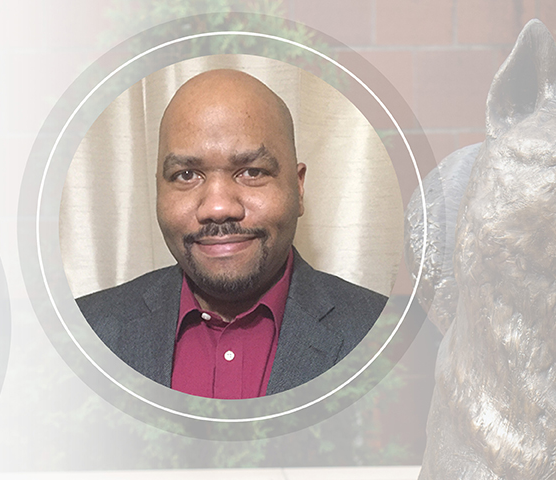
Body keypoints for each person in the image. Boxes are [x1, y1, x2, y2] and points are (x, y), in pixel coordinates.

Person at [77, 69, 387, 399]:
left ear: (298, 187)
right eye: (186, 175)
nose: (218, 207)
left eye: (252, 172)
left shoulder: (387, 337)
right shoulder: (79, 334)